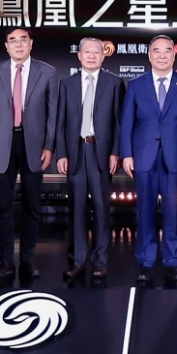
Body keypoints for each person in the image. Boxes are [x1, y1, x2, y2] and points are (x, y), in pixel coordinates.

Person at [121, 35, 177, 287]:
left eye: (167, 51)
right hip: (143, 156)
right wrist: (126, 154)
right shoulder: (136, 85)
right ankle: (146, 261)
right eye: (157, 51)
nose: (162, 55)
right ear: (149, 55)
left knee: (173, 212)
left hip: (175, 156)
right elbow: (127, 123)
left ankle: (172, 261)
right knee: (144, 211)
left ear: (174, 55)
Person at [0, 27, 56, 284]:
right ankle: (5, 261)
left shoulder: (47, 72)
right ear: (6, 46)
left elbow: (52, 113)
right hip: (3, 143)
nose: (18, 44)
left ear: (31, 43)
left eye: (23, 40)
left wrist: (49, 146)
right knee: (3, 206)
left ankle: (27, 259)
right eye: (12, 40)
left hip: (34, 143)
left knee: (32, 205)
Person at [53, 37, 124, 283]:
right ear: (79, 55)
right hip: (75, 151)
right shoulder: (67, 84)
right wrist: (61, 153)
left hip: (101, 152)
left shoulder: (115, 83)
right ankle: (77, 260)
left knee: (102, 209)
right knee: (76, 209)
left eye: (96, 52)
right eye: (87, 52)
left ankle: (100, 261)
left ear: (103, 56)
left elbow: (119, 123)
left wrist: (115, 152)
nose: (92, 56)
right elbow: (60, 123)